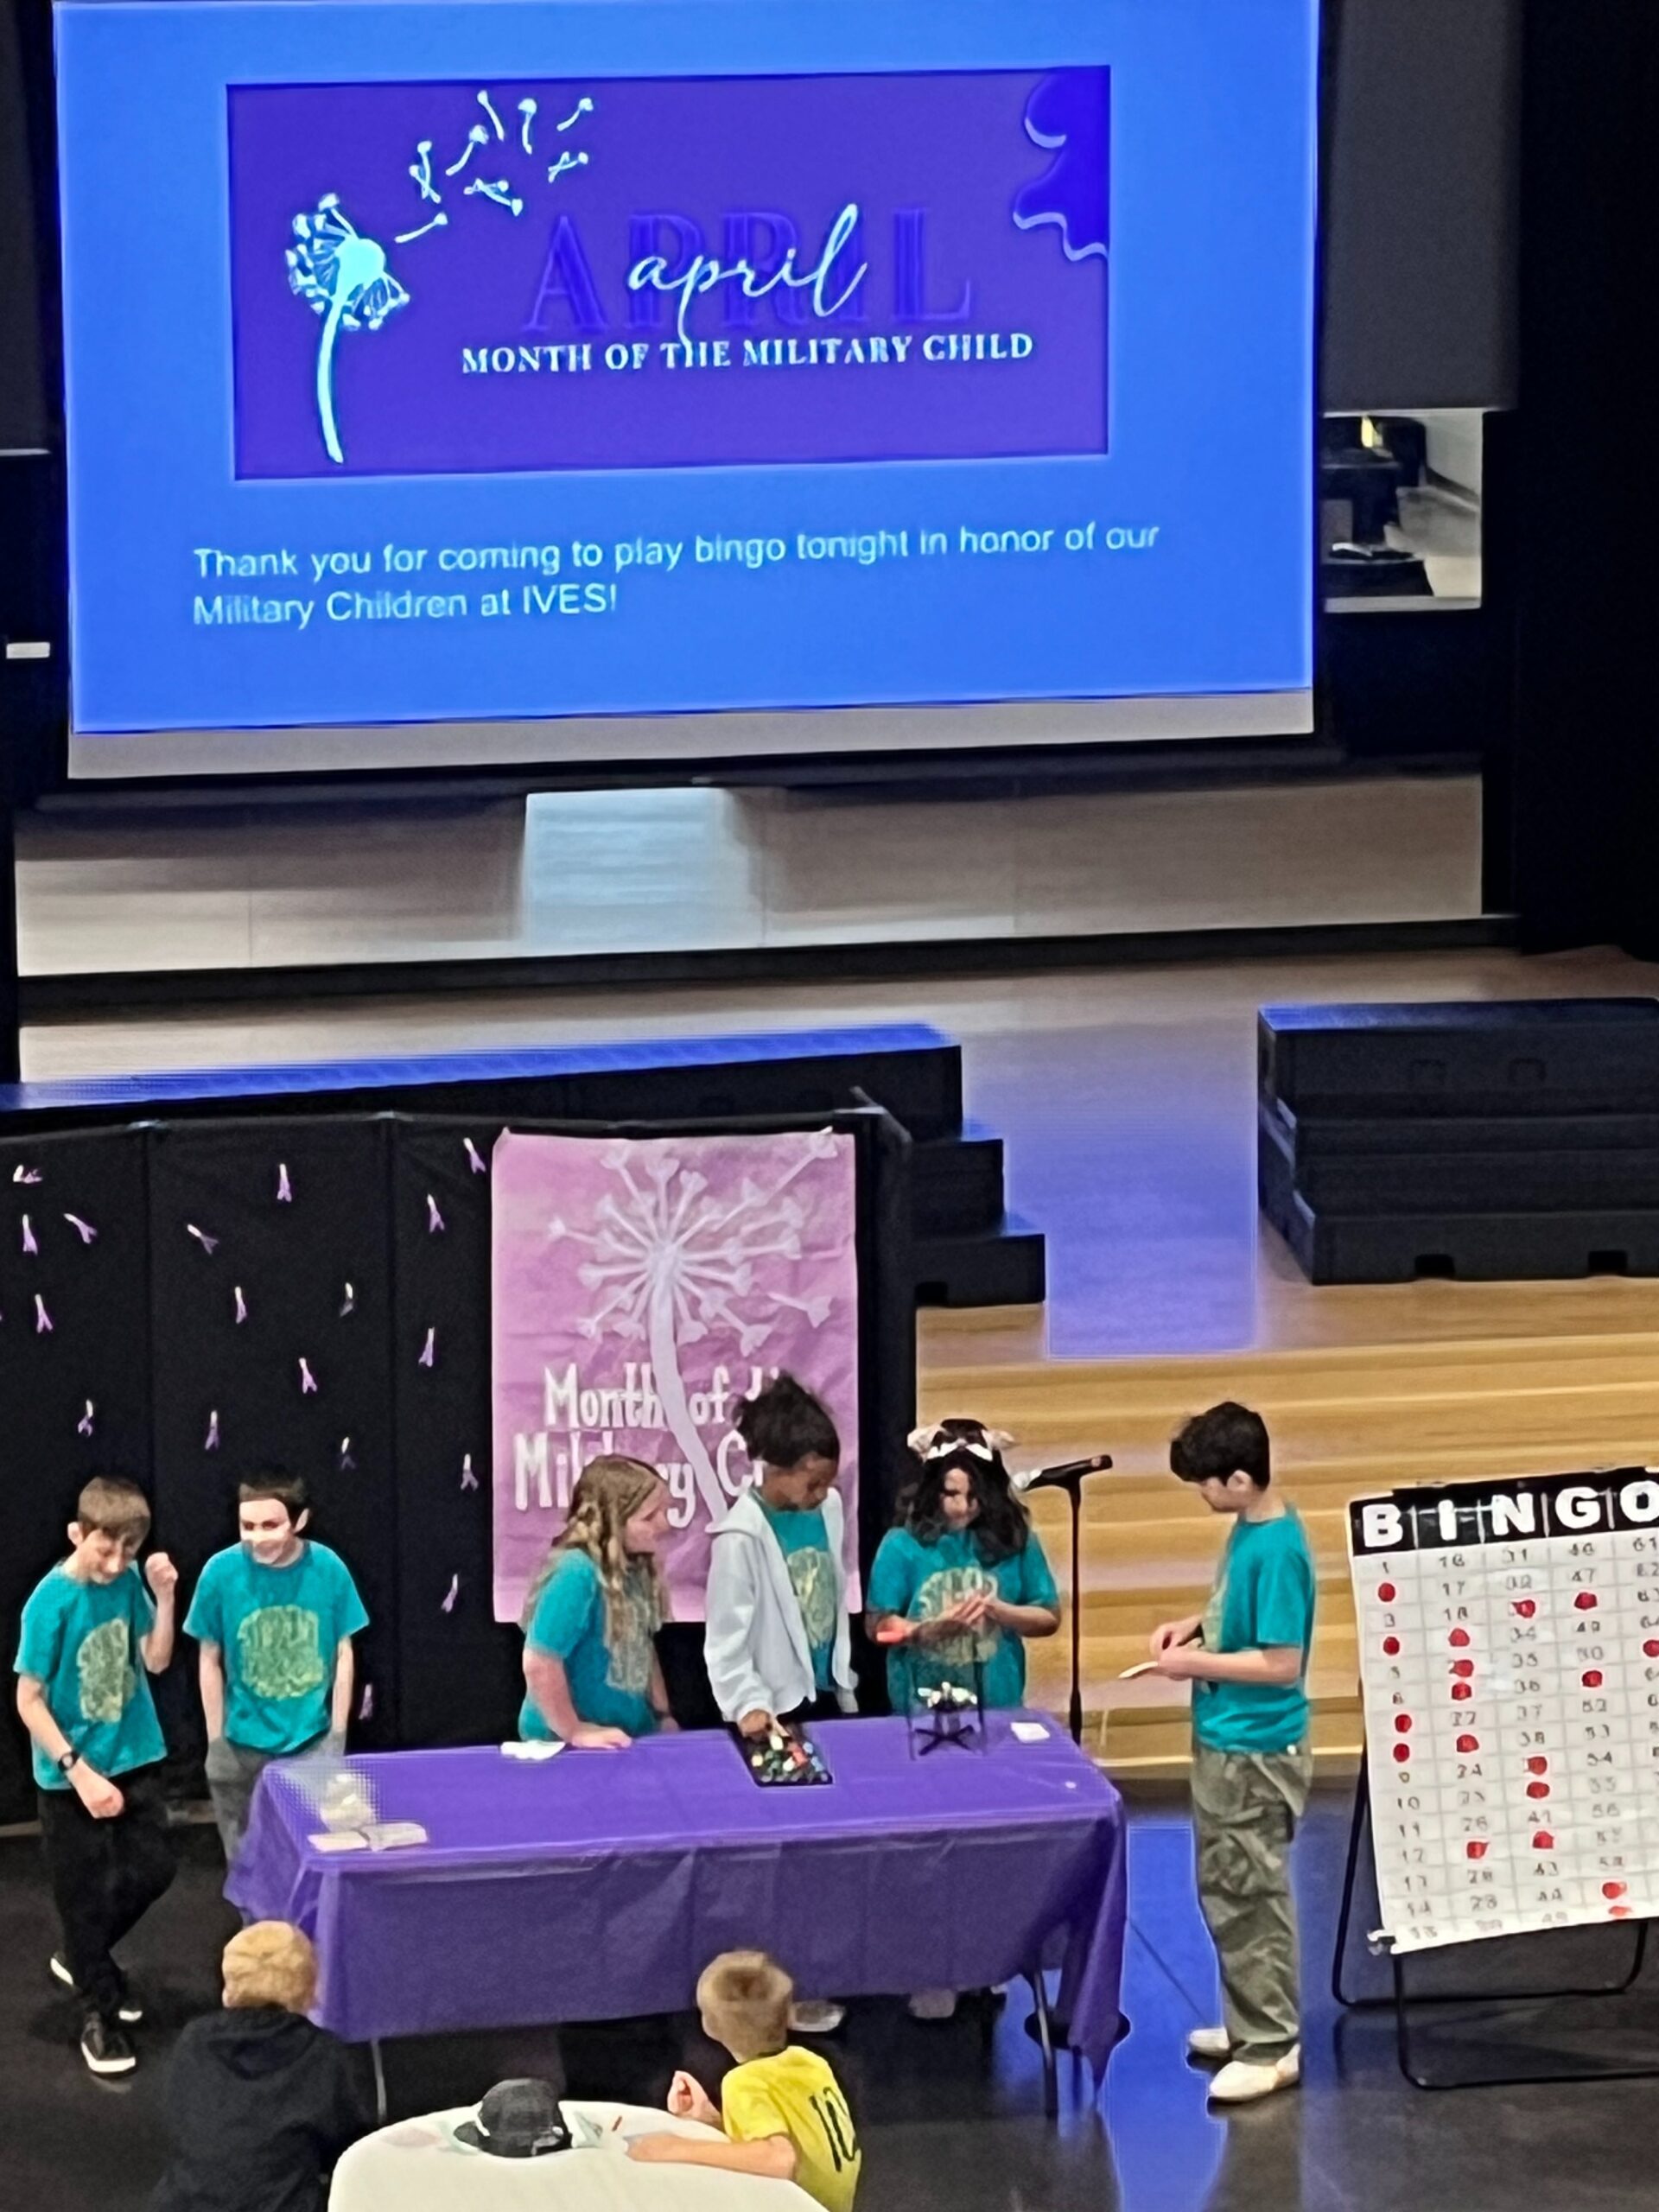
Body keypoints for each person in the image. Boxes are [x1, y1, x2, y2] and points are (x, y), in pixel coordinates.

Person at [1149, 1402, 1317, 2105]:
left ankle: (1272, 2042)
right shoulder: (1252, 1530)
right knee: (1226, 1887)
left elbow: (1281, 1663)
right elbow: (1236, 1613)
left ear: (1241, 1479)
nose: (1203, 1494)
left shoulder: (1277, 1550)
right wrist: (1197, 1625)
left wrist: (1193, 1665)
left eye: (1207, 1483)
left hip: (1254, 1749)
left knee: (1249, 1894)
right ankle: (1253, 2020)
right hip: (1226, 1737)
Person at [867, 1418, 1060, 2019]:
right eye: (951, 1494)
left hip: (995, 1710)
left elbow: (1048, 1616)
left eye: (974, 1496)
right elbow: (878, 1626)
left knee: (990, 1847)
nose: (962, 1507)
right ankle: (932, 1966)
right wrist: (924, 1630)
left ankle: (986, 1961)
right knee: (930, 1848)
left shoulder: (1013, 1541)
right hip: (922, 1715)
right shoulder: (902, 1546)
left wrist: (1000, 1611)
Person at [705, 1374, 856, 2034]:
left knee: (831, 1856)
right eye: (810, 1482)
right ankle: (779, 1993)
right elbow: (726, 1642)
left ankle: (822, 1972)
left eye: (827, 1482)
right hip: (774, 1717)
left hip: (824, 1700)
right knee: (786, 1864)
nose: (820, 1494)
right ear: (774, 1468)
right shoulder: (740, 1538)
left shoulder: (828, 1511)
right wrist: (749, 1704)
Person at [14, 1474, 177, 2076]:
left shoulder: (129, 1580)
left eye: (127, 1551)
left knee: (156, 1869)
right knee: (80, 1895)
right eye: (104, 1549)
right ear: (76, 1534)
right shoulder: (49, 1602)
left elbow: (155, 1659)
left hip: (134, 1753)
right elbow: (28, 1700)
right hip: (70, 1774)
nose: (114, 1564)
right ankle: (98, 2013)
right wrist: (77, 1772)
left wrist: (165, 1597)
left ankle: (83, 1957)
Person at [184, 1472, 369, 1868]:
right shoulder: (220, 1572)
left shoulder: (328, 1568)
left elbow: (344, 1654)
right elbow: (208, 1658)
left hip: (310, 1741)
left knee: (314, 1859)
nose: (257, 1537)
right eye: (247, 1526)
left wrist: (337, 1735)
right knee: (247, 1863)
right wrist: (216, 1740)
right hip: (241, 1744)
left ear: (299, 1521)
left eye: (270, 1525)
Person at [150, 1921, 373, 2212]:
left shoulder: (194, 2040)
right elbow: (347, 2147)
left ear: (229, 1986)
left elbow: (180, 2118)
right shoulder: (322, 2054)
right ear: (308, 1988)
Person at [629, 1950, 861, 2212]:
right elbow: (794, 2136)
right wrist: (711, 2119)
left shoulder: (743, 2082)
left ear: (710, 2026)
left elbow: (780, 2159)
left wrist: (674, 2149)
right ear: (786, 2014)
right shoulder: (810, 2061)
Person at [518, 1454, 677, 1748]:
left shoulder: (634, 1567)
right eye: (649, 1516)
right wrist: (574, 1731)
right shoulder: (576, 1572)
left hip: (626, 1736)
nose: (665, 1524)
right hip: (564, 1747)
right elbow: (540, 1662)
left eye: (665, 1511)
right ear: (612, 1521)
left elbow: (642, 1646)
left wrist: (662, 1714)